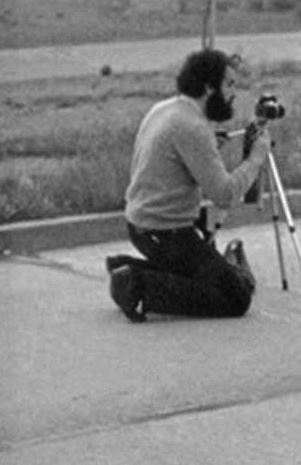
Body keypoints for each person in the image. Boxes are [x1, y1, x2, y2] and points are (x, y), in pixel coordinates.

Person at [106, 48, 268, 322]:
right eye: (228, 84)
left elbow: (171, 160)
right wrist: (256, 158)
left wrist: (206, 145)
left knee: (209, 274)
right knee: (236, 298)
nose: (233, 93)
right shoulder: (192, 127)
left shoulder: (167, 109)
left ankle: (126, 266)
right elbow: (225, 195)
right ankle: (138, 285)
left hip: (142, 226)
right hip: (166, 233)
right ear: (208, 87)